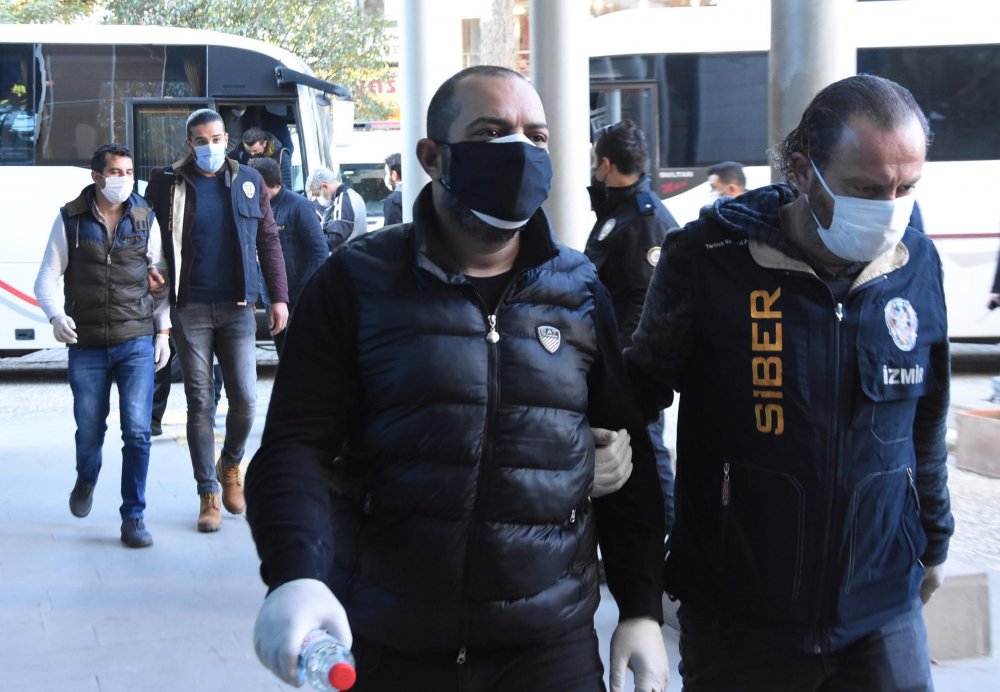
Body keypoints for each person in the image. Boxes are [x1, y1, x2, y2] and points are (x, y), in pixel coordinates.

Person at [246, 65, 669, 692]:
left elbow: (625, 450)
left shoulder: (579, 289)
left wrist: (640, 607)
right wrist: (296, 571)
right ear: (433, 157)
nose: (520, 151)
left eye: (536, 135)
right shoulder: (354, 283)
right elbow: (294, 447)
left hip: (547, 648)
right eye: (492, 132)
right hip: (391, 641)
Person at [625, 74, 953, 690]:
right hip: (738, 618)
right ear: (802, 172)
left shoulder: (917, 262)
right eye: (866, 189)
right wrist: (641, 567)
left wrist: (934, 539)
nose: (889, 208)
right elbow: (636, 399)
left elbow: (927, 416)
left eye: (905, 188)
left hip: (884, 611)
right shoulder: (708, 258)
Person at [144, 108, 289, 533]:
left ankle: (230, 465)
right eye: (202, 141)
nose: (210, 147)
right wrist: (148, 271)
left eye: (217, 138)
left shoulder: (249, 180)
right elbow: (146, 235)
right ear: (189, 144)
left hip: (238, 307)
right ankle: (208, 493)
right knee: (200, 402)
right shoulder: (167, 183)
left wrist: (279, 298)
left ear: (228, 139)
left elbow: (268, 240)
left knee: (246, 400)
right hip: (189, 307)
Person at [33, 143, 171, 548]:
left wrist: (163, 332)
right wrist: (56, 317)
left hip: (135, 341)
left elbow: (162, 280)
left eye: (128, 172)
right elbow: (46, 277)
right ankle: (86, 477)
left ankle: (134, 516)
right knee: (90, 431)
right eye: (115, 172)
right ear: (96, 177)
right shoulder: (70, 219)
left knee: (138, 432)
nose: (123, 179)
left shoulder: (145, 217)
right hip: (88, 344)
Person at [585, 118, 678, 534]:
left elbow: (645, 301)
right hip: (612, 359)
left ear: (606, 164)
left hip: (628, 366)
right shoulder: (620, 213)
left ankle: (667, 536)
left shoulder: (644, 219)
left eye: (594, 161)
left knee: (647, 447)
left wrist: (622, 365)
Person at [248, 157, 327, 356]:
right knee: (283, 354)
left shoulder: (298, 206)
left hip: (298, 298)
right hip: (270, 297)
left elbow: (319, 252)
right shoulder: (254, 207)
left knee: (304, 355)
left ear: (261, 183)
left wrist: (305, 291)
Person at [305, 167, 368, 251]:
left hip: (348, 255)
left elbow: (335, 239)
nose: (318, 199)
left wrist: (311, 241)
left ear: (325, 186)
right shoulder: (352, 195)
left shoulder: (342, 200)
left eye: (317, 194)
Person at [382, 152, 403, 226]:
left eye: (386, 173)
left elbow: (392, 231)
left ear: (394, 175)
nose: (386, 177)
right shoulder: (420, 193)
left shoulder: (393, 201)